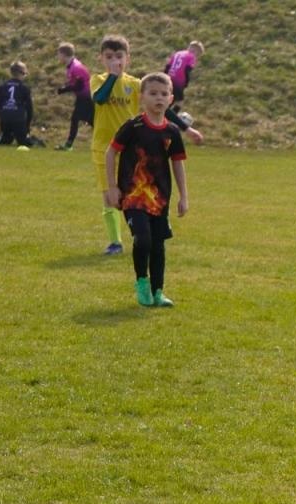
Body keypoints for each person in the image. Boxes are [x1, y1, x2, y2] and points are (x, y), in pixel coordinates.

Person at [104, 73, 189, 309]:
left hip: (159, 198)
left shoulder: (172, 132)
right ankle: (142, 282)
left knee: (158, 244)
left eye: (163, 94)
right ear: (142, 98)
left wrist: (184, 196)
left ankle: (158, 291)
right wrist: (112, 187)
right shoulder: (133, 127)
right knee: (143, 239)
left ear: (171, 98)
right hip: (132, 196)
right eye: (153, 93)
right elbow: (110, 153)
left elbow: (178, 163)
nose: (158, 98)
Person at [90, 35, 142, 255]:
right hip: (103, 147)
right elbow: (99, 99)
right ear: (101, 58)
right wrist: (112, 76)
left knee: (135, 193)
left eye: (119, 57)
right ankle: (115, 242)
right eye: (109, 57)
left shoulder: (135, 84)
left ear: (127, 59)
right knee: (110, 195)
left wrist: (186, 128)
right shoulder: (98, 80)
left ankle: (141, 235)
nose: (114, 61)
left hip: (130, 148)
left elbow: (157, 106)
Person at [54, 42, 93, 151]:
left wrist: (64, 89)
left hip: (86, 98)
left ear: (63, 54)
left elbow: (79, 85)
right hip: (83, 97)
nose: (58, 57)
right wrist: (65, 87)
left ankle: (69, 144)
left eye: (59, 54)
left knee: (77, 119)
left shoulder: (76, 67)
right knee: (91, 121)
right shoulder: (71, 66)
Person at [0, 61, 41, 147]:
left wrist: (0, 115)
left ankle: (3, 137)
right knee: (23, 142)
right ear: (21, 73)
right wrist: (27, 126)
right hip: (18, 120)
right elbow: (29, 108)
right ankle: (31, 140)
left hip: (5, 118)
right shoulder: (24, 88)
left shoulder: (2, 86)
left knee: (6, 140)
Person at [164, 40, 204, 116]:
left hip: (168, 78)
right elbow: (187, 70)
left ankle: (163, 115)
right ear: (196, 51)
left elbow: (168, 66)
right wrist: (186, 82)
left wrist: (164, 77)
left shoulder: (178, 53)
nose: (197, 57)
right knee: (179, 102)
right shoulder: (191, 57)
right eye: (198, 54)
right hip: (179, 81)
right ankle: (169, 118)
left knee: (170, 99)